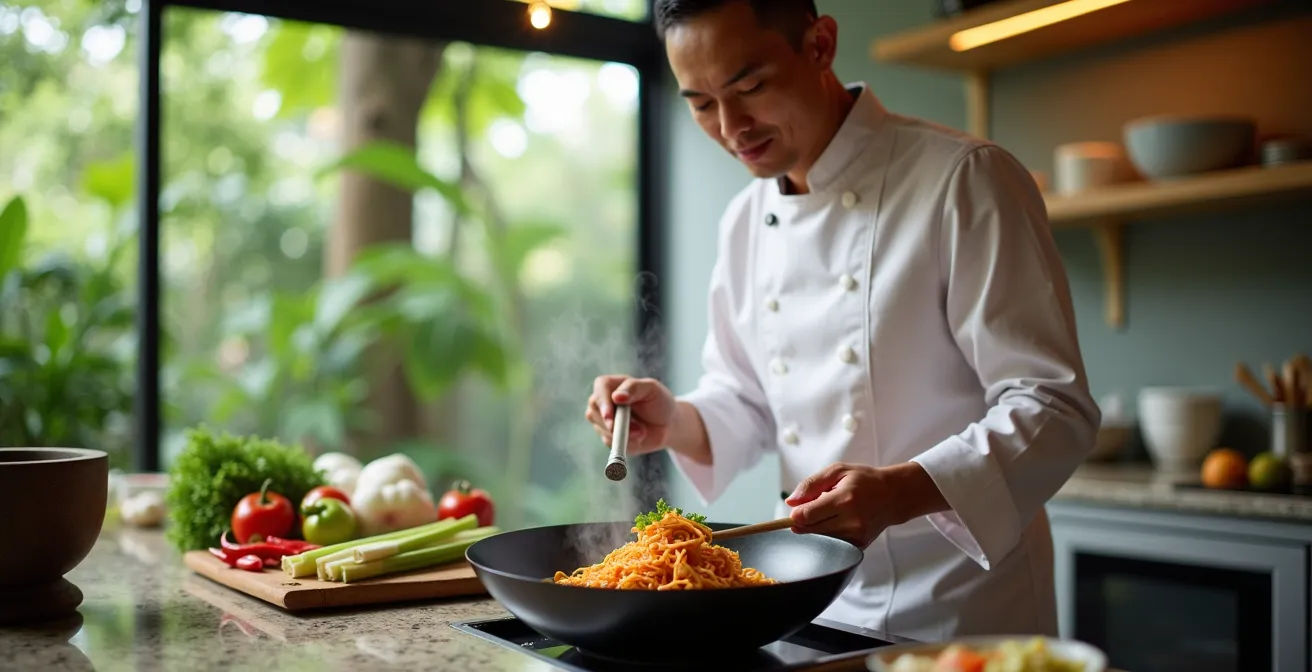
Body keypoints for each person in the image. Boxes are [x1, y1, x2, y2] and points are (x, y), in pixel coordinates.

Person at [584, 0, 1101, 642]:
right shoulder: (745, 220)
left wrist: (901, 492)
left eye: (751, 87)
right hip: (809, 601)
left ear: (820, 45)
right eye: (702, 103)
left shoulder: (963, 179)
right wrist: (675, 420)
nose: (731, 126)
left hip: (962, 608)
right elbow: (748, 398)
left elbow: (1052, 404)